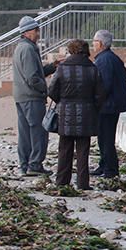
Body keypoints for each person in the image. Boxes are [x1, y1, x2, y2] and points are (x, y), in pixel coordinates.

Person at [47, 39, 105, 190]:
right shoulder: (93, 69)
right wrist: (93, 106)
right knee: (83, 150)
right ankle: (82, 183)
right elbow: (100, 94)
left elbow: (52, 91)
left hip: (65, 112)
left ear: (71, 51)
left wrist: (63, 100)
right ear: (85, 51)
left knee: (64, 149)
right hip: (86, 112)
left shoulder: (62, 68)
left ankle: (62, 181)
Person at [11, 15, 58, 176]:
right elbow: (32, 78)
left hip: (21, 96)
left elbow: (35, 72)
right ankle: (35, 165)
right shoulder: (29, 49)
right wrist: (46, 91)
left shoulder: (20, 48)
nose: (38, 34)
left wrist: (52, 67)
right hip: (32, 97)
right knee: (39, 131)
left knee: (25, 133)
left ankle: (24, 166)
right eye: (37, 31)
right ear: (28, 32)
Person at [91, 29, 126, 178]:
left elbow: (104, 85)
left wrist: (95, 101)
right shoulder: (111, 57)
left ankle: (111, 169)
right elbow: (125, 74)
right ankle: (104, 165)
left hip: (108, 105)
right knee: (103, 137)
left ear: (100, 43)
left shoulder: (104, 59)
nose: (93, 44)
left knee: (106, 138)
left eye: (94, 41)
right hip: (112, 103)